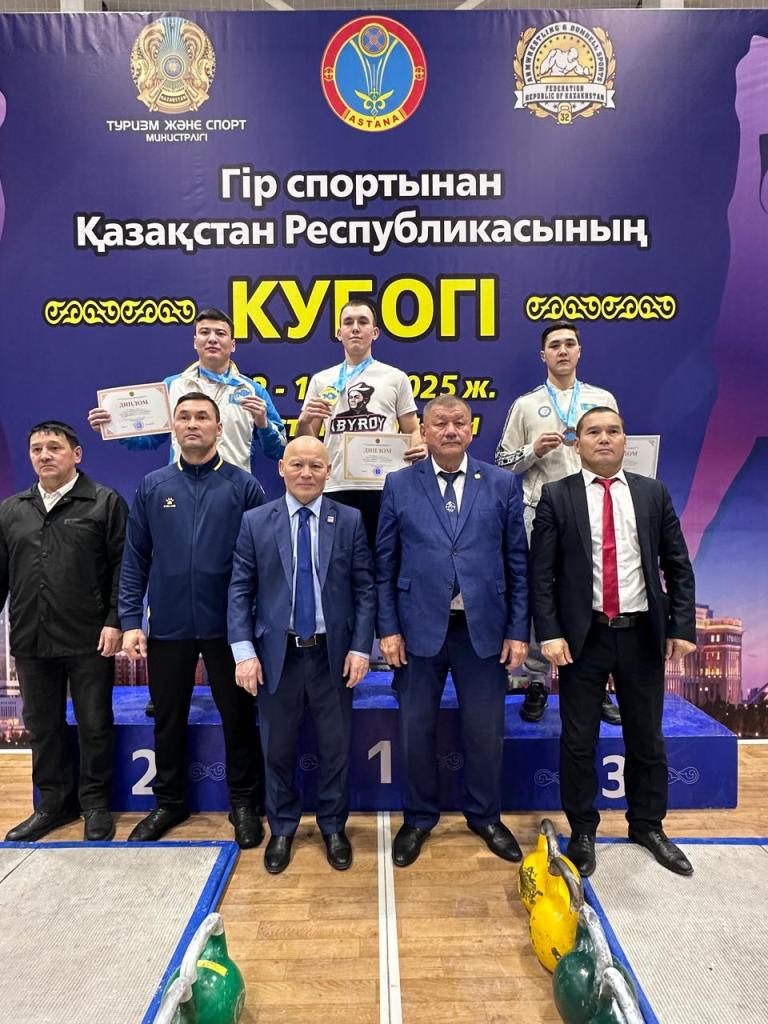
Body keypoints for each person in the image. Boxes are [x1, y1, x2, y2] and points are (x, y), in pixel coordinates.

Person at [529, 407, 697, 878]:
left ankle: (648, 826)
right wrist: (549, 633)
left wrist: (681, 627)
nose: (604, 438)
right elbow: (540, 575)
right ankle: (582, 831)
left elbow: (678, 566)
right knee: (578, 740)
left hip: (641, 634)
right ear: (577, 443)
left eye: (613, 431)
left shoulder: (652, 493)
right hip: (582, 639)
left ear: (625, 441)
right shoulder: (556, 496)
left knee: (647, 738)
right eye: (593, 432)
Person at [376, 396, 529, 867]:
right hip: (417, 629)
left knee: (485, 732)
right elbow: (385, 564)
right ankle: (419, 818)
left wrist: (517, 630)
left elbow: (517, 563)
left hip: (483, 630)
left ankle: (485, 816)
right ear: (423, 430)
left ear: (471, 429)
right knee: (415, 730)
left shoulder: (501, 483)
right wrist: (388, 629)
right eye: (439, 423)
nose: (449, 430)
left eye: (458, 422)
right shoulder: (399, 483)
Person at [119, 393, 266, 847]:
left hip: (229, 628)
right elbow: (134, 558)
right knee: (168, 718)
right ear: (173, 427)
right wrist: (130, 620)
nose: (193, 424)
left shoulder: (244, 486)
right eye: (184, 417)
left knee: (238, 717)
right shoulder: (153, 485)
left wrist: (253, 626)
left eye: (203, 417)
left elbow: (261, 563)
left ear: (219, 429)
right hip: (169, 626)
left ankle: (245, 803)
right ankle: (169, 803)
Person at [228, 436, 375, 874]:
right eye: (297, 464)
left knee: (335, 749)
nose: (306, 473)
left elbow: (365, 589)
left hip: (333, 655)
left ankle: (333, 827)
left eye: (315, 465)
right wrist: (243, 652)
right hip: (277, 656)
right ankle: (283, 828)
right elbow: (240, 590)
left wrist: (360, 647)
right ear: (281, 469)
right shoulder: (256, 521)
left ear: (328, 470)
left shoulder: (348, 520)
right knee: (276, 749)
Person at [1, 421, 127, 843]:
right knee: (42, 726)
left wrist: (115, 620)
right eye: (36, 448)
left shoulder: (104, 502)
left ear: (76, 454)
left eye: (54, 447)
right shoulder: (12, 509)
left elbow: (123, 569)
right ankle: (52, 805)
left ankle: (95, 805)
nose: (44, 455)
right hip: (31, 637)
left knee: (94, 723)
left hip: (89, 637)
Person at [495, 321, 621, 726]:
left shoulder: (601, 400)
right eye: (554, 345)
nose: (562, 351)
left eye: (569, 344)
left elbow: (617, 451)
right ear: (543, 355)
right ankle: (535, 680)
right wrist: (532, 451)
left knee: (593, 592)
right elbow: (502, 463)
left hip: (592, 508)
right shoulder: (526, 405)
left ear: (579, 351)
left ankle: (594, 683)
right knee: (540, 594)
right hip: (540, 510)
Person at [88, 306, 286, 474]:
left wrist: (263, 424)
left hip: (236, 490)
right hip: (181, 487)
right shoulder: (172, 386)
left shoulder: (253, 390)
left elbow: (279, 450)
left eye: (220, 333)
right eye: (204, 332)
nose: (212, 339)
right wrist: (114, 426)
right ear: (194, 341)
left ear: (232, 345)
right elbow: (149, 440)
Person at [296, 296, 425, 549]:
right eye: (348, 322)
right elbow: (308, 443)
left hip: (383, 486)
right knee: (338, 561)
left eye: (363, 322)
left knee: (383, 558)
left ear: (374, 332)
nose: (355, 328)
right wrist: (303, 421)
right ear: (339, 333)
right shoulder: (321, 380)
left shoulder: (395, 377)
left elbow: (412, 429)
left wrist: (419, 445)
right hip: (335, 485)